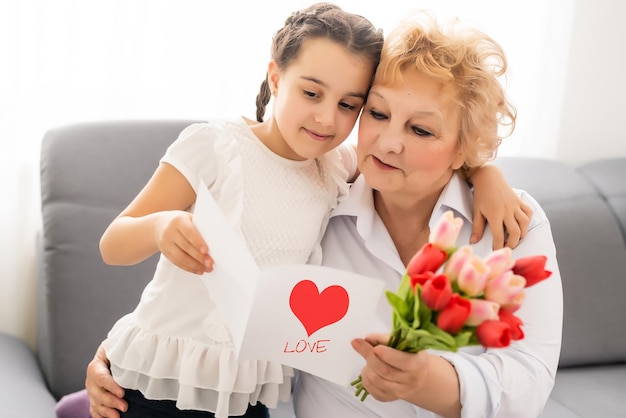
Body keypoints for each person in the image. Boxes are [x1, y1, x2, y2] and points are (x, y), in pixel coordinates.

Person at [63, 5, 538, 418]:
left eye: (349, 104)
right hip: (157, 380)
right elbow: (113, 243)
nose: (326, 119)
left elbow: (421, 159)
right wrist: (162, 225)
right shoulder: (215, 146)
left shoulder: (336, 168)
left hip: (246, 393)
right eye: (311, 93)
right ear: (275, 77)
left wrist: (484, 174)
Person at [292, 13, 563, 418]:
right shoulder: (320, 198)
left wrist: (428, 381)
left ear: (463, 150)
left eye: (420, 131)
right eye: (378, 114)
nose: (387, 143)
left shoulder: (514, 226)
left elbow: (529, 377)